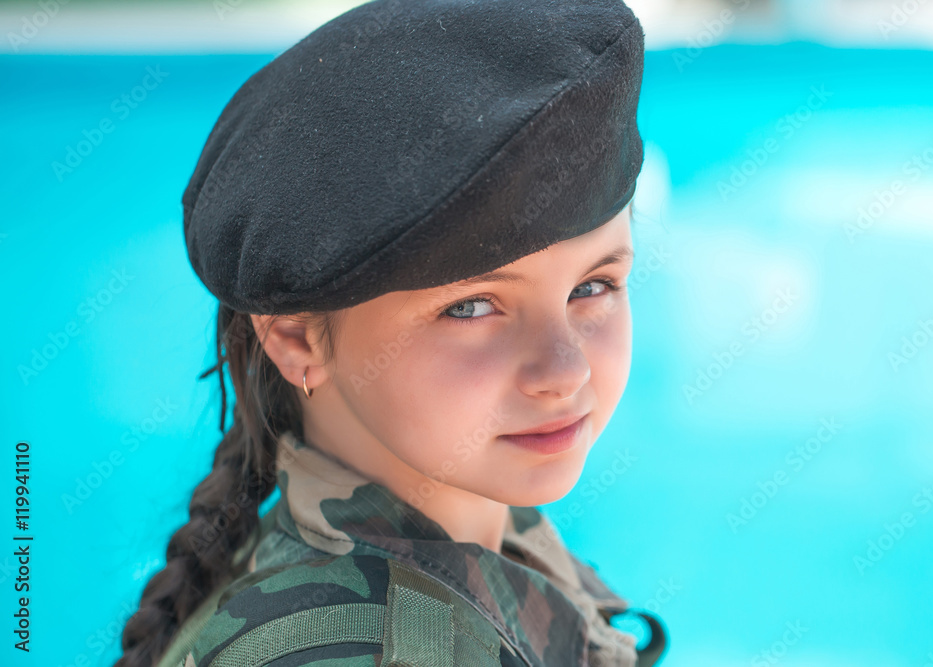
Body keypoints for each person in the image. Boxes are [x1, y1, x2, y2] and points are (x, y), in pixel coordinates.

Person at [115, 0, 669, 665]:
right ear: (296, 339)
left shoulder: (485, 541)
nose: (565, 370)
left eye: (593, 286)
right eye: (470, 307)